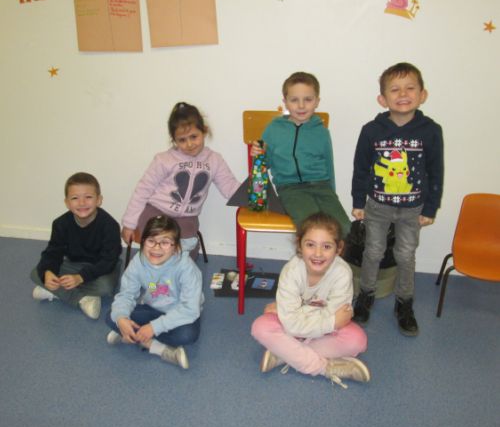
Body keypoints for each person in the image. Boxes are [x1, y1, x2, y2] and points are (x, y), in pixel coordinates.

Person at [351, 62, 444, 336]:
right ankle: (365, 295)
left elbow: (436, 171)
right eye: (395, 89)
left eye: (410, 88)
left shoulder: (430, 131)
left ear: (422, 94)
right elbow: (361, 168)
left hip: (412, 209)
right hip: (377, 206)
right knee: (373, 252)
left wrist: (430, 208)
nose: (403, 94)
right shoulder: (371, 130)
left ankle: (404, 302)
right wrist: (358, 202)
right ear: (383, 99)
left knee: (405, 255)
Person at [251, 212, 370, 388]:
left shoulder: (343, 273)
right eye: (310, 245)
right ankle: (323, 367)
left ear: (338, 249)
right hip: (314, 326)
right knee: (260, 327)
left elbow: (334, 319)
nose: (318, 253)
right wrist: (330, 322)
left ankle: (284, 353)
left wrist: (295, 313)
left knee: (357, 341)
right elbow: (323, 321)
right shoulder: (291, 271)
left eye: (326, 246)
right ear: (300, 245)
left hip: (313, 328)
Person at [121, 102, 240, 259]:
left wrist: (252, 197)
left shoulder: (214, 160)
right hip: (156, 212)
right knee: (160, 245)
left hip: (187, 218)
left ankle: (175, 272)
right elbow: (142, 191)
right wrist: (129, 224)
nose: (189, 144)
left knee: (188, 251)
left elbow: (229, 185)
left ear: (204, 131)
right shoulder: (164, 159)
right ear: (174, 140)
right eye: (182, 140)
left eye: (194, 137)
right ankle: (155, 274)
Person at [251, 72, 351, 237]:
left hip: (322, 187)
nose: (301, 106)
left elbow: (329, 165)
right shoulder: (274, 129)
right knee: (311, 227)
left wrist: (332, 194)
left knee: (344, 227)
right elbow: (265, 164)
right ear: (285, 102)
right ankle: (310, 254)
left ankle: (334, 255)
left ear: (317, 101)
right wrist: (258, 154)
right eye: (294, 100)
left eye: (308, 99)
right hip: (290, 188)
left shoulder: (321, 132)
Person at [106, 215, 202, 369]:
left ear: (176, 247)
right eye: (151, 241)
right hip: (152, 307)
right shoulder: (138, 262)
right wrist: (122, 318)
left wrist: (154, 327)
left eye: (165, 242)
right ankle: (156, 346)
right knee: (112, 317)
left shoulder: (187, 268)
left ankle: (134, 336)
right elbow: (126, 295)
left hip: (179, 312)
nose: (156, 248)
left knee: (187, 335)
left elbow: (190, 309)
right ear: (143, 242)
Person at [31, 172, 122, 320]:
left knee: (106, 287)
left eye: (88, 197)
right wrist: (48, 272)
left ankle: (55, 292)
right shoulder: (60, 224)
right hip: (73, 264)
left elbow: (109, 260)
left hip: (101, 266)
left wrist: (81, 277)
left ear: (99, 200)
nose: (82, 203)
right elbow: (53, 252)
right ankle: (84, 299)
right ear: (67, 202)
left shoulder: (110, 225)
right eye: (75, 198)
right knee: (37, 273)